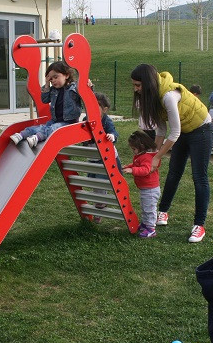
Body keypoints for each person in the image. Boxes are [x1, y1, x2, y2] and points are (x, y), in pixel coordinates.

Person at [131, 63, 213, 243]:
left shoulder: (169, 96)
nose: (135, 89)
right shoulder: (153, 98)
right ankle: (163, 212)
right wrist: (152, 154)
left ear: (148, 83)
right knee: (174, 172)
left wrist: (157, 156)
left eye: (138, 85)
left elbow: (174, 132)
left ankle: (199, 225)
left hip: (202, 129)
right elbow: (161, 130)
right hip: (184, 130)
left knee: (199, 177)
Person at [10, 61, 82, 148]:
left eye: (56, 77)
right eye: (51, 79)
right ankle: (22, 134)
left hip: (69, 123)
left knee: (53, 128)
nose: (53, 81)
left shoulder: (74, 88)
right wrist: (47, 84)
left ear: (66, 75)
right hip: (55, 120)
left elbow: (87, 95)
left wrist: (89, 86)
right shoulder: (53, 90)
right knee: (40, 127)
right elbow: (45, 100)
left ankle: (38, 137)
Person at [82, 92, 121, 220]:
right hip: (93, 156)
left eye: (95, 106)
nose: (91, 109)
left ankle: (100, 205)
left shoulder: (106, 121)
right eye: (89, 106)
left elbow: (114, 132)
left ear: (104, 109)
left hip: (106, 158)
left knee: (100, 182)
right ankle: (99, 202)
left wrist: (111, 136)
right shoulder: (86, 119)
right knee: (93, 181)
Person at [123, 131, 160, 238]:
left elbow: (145, 169)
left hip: (150, 189)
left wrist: (132, 170)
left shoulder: (147, 157)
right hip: (145, 188)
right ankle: (145, 223)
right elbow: (137, 164)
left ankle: (151, 228)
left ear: (142, 146)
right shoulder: (141, 155)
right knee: (145, 207)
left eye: (134, 149)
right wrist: (129, 166)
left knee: (149, 209)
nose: (133, 151)